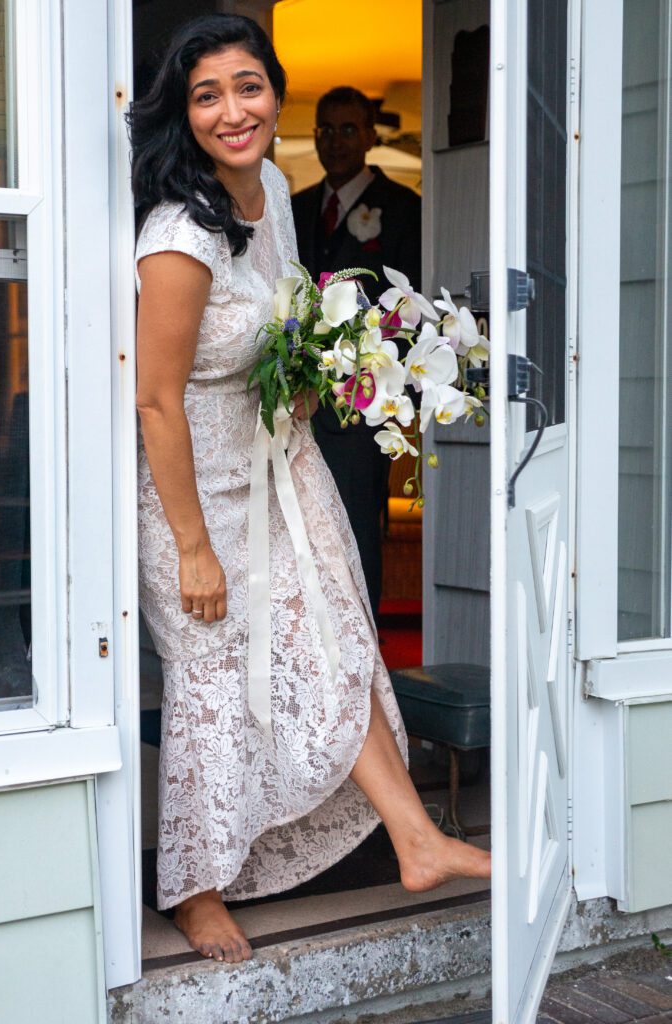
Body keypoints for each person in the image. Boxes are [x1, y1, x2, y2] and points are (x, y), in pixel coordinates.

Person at [128, 15, 490, 968]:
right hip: (191, 495)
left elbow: (280, 331)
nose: (231, 110)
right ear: (186, 114)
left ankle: (413, 840)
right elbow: (156, 403)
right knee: (209, 684)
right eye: (206, 95)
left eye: (247, 86)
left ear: (274, 95)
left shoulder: (277, 202)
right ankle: (195, 888)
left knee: (336, 640)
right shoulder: (177, 234)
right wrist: (194, 545)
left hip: (279, 471)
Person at [292, 88, 422, 617]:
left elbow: (407, 309)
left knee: (355, 530)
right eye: (325, 129)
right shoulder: (295, 206)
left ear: (371, 135)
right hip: (296, 403)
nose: (335, 141)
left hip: (359, 408)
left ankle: (361, 657)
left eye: (348, 129)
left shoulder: (405, 209)